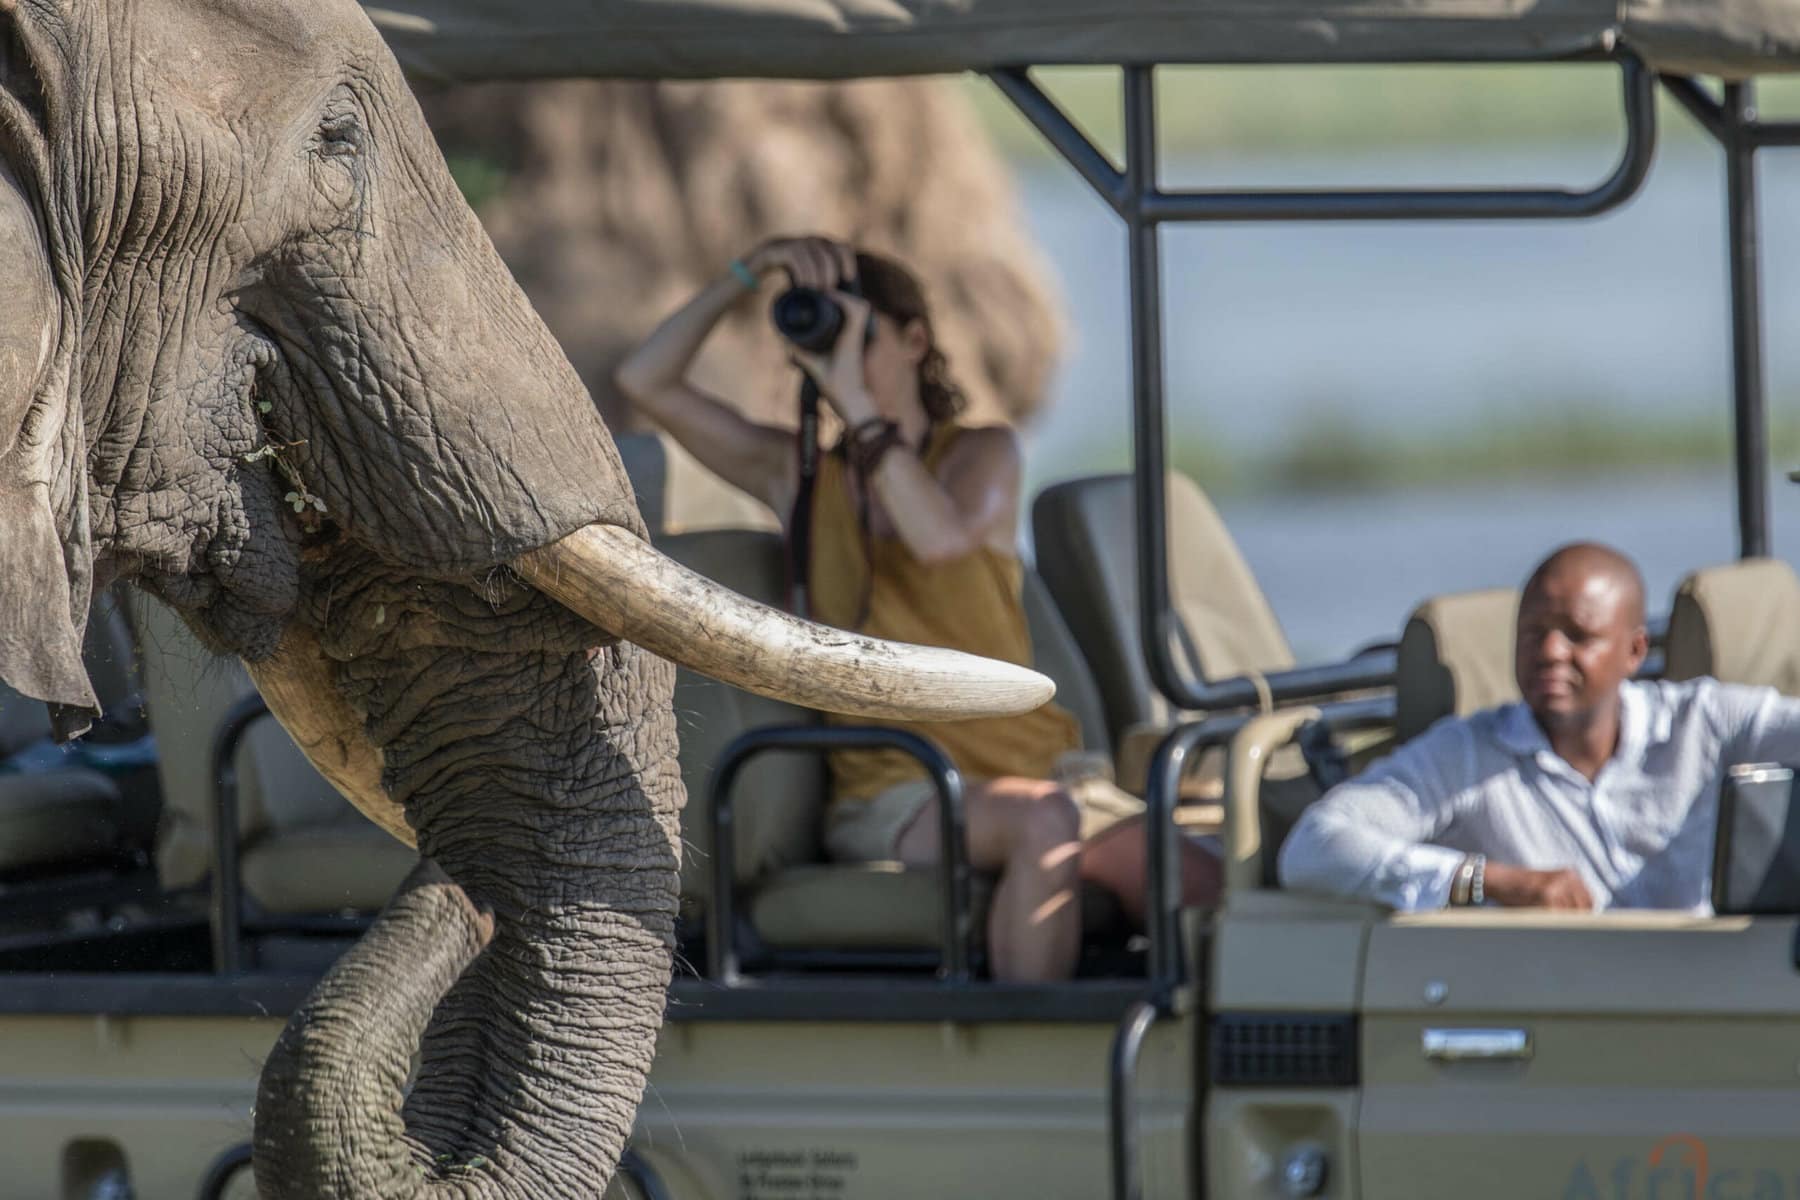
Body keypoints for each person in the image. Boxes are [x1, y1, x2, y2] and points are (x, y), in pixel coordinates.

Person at [615, 235, 1220, 981]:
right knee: (1045, 825)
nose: (847, 358)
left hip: (1049, 774)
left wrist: (860, 409)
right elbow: (644, 380)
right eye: (830, 335)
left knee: (1206, 882)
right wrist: (749, 272)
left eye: (862, 336)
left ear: (915, 341)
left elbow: (938, 537)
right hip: (899, 789)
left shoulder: (981, 455)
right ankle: (1021, 1070)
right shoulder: (797, 475)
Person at [1278, 542, 1800, 912]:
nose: (1550, 652)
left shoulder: (1707, 722)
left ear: (1634, 651)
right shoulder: (1466, 754)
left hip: (1715, 994)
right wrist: (1488, 880)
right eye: (1533, 633)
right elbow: (1315, 847)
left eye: (1577, 636)